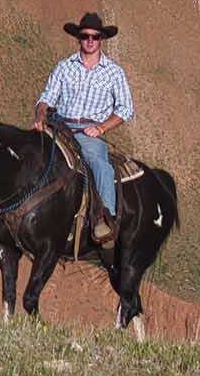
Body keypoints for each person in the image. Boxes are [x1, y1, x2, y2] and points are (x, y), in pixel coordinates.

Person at [31, 12, 134, 245]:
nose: (90, 40)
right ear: (79, 37)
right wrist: (40, 116)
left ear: (101, 39)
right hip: (60, 125)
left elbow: (125, 109)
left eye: (95, 36)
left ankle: (103, 219)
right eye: (85, 36)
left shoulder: (114, 72)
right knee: (29, 151)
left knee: (100, 166)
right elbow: (46, 98)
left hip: (89, 130)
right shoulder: (64, 67)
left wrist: (101, 128)